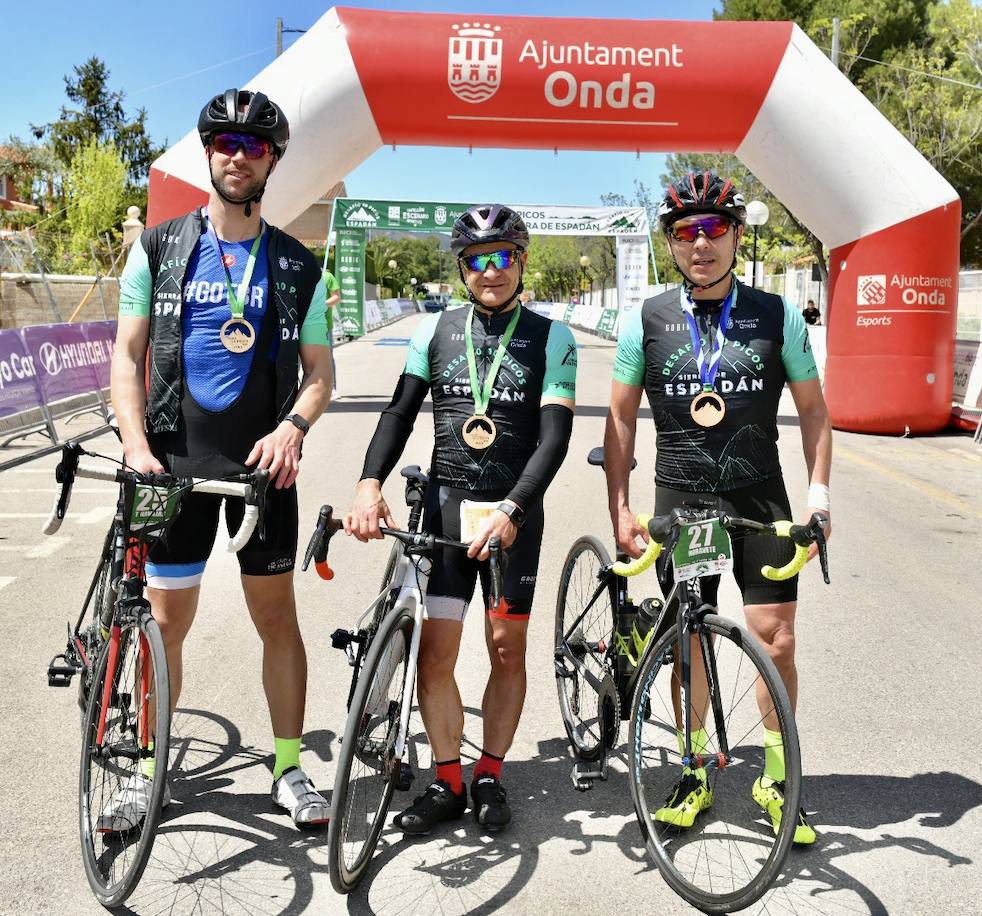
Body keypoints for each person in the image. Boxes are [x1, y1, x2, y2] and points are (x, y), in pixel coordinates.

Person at [108, 88, 334, 830]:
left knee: (278, 623)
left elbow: (322, 373)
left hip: (261, 474)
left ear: (273, 160)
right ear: (209, 153)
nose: (239, 156)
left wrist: (294, 427)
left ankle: (291, 769)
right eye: (226, 144)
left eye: (255, 146)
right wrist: (138, 447)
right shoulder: (158, 246)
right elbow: (127, 356)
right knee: (165, 627)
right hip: (173, 465)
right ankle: (146, 769)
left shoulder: (299, 267)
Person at [603, 171, 832, 845]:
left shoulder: (776, 315)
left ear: (735, 234)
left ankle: (777, 776)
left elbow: (815, 412)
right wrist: (618, 504)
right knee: (690, 643)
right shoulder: (646, 320)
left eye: (713, 229)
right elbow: (618, 422)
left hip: (759, 492)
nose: (700, 244)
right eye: (684, 232)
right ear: (671, 244)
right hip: (683, 497)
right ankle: (695, 766)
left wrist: (819, 497)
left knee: (777, 638)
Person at [345, 204, 577, 835]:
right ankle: (449, 778)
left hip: (512, 518)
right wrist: (370, 484)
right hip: (447, 511)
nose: (490, 271)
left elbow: (553, 440)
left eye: (502, 257)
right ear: (462, 269)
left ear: (521, 262)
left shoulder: (552, 338)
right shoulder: (435, 331)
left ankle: (492, 774)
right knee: (435, 657)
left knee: (506, 652)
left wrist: (513, 510)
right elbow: (396, 415)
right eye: (477, 260)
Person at [321, 267, 342, 395]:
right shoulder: (302, 274)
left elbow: (336, 297)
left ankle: (332, 388)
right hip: (304, 324)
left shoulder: (327, 276)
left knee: (328, 357)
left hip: (325, 325)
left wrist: (322, 304)